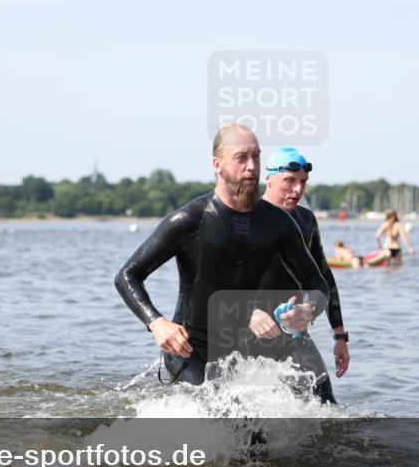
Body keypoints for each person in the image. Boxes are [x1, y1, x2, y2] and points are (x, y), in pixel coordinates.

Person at [114, 124, 330, 386]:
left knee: (320, 409)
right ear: (217, 165)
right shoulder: (191, 219)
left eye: (256, 156)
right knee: (226, 418)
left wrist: (308, 309)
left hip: (242, 352)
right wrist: (157, 323)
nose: (252, 166)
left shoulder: (278, 224)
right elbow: (128, 275)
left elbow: (317, 283)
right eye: (241, 157)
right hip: (190, 352)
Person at [250, 147, 350, 404]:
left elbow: (324, 278)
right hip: (247, 328)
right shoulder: (247, 217)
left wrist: (339, 336)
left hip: (292, 331)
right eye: (290, 181)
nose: (298, 189)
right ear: (268, 179)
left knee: (325, 402)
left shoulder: (305, 220)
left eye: (303, 182)